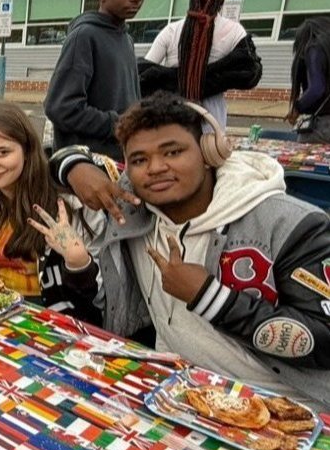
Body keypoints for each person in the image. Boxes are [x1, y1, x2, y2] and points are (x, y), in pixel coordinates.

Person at [34, 92, 330, 405]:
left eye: (173, 152)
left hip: (283, 406)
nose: (155, 167)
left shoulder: (290, 224)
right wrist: (73, 167)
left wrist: (209, 297)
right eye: (139, 159)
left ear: (209, 152)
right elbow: (48, 160)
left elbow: (324, 339)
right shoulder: (132, 209)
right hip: (176, 391)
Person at [0, 102, 104, 323]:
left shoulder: (70, 206)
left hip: (55, 326)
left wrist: (79, 263)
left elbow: (104, 298)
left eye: (3, 152)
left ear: (27, 150)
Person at [44, 0, 151, 162]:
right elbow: (60, 108)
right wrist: (117, 124)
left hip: (121, 159)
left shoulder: (126, 39)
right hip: (87, 167)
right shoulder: (84, 36)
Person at [143, 0, 249, 129]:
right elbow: (247, 73)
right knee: (209, 151)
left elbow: (147, 70)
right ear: (222, 0)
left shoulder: (171, 30)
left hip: (174, 110)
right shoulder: (234, 31)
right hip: (212, 117)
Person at [286, 15, 330, 144]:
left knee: (298, 158)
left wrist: (297, 107)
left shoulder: (314, 48)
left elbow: (316, 89)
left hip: (324, 126)